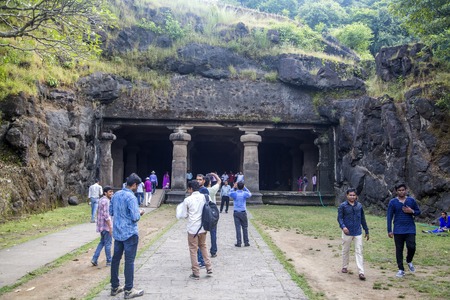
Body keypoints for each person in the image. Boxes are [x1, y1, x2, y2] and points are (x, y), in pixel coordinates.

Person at [109, 173, 145, 298]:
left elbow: (111, 211)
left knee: (115, 259)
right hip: (130, 233)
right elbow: (135, 217)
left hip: (118, 233)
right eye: (137, 185)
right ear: (134, 185)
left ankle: (114, 286)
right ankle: (129, 289)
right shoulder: (131, 197)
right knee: (129, 261)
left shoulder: (116, 195)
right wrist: (140, 212)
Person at [176, 180, 213, 280]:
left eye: (188, 189)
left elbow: (183, 215)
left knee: (193, 250)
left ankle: (196, 272)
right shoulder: (206, 197)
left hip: (193, 228)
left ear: (191, 189)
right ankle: (209, 267)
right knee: (203, 246)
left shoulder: (188, 200)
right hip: (203, 227)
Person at [387, 183, 421, 278]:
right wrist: (389, 230)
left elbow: (418, 212)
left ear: (406, 190)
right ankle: (401, 269)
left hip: (410, 228)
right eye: (399, 190)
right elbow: (389, 217)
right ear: (396, 191)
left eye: (403, 190)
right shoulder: (393, 202)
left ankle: (409, 260)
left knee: (412, 247)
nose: (401, 192)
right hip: (398, 229)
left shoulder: (411, 201)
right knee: (399, 249)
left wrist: (412, 211)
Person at [337, 188, 369, 280]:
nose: (352, 197)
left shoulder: (359, 206)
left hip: (358, 231)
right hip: (347, 232)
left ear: (356, 196)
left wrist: (366, 230)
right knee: (345, 249)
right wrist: (343, 227)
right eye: (350, 195)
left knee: (359, 251)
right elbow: (340, 218)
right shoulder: (343, 206)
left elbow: (362, 218)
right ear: (347, 196)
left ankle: (361, 272)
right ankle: (344, 266)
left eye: (353, 195)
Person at [91, 186, 114, 267]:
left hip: (101, 226)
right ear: (105, 193)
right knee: (108, 244)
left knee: (102, 242)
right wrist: (110, 227)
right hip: (106, 226)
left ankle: (94, 258)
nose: (111, 193)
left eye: (112, 192)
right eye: (110, 192)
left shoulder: (101, 200)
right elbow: (106, 215)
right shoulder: (107, 202)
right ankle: (109, 261)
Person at [229, 181, 252, 247]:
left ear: (237, 186)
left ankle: (239, 242)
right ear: (243, 186)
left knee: (238, 228)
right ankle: (246, 242)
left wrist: (233, 187)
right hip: (243, 212)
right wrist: (245, 187)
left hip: (236, 212)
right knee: (245, 227)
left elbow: (229, 193)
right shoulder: (245, 193)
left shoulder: (234, 193)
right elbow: (250, 194)